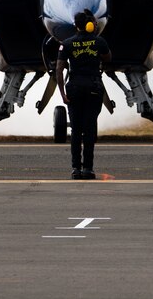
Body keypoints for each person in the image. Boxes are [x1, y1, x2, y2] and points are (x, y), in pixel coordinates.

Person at [56, 10, 112, 179]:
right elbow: (108, 59)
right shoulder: (99, 42)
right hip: (93, 88)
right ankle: (88, 169)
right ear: (89, 24)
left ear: (76, 25)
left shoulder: (66, 44)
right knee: (89, 130)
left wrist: (63, 94)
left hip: (74, 88)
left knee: (75, 131)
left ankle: (76, 169)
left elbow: (59, 70)